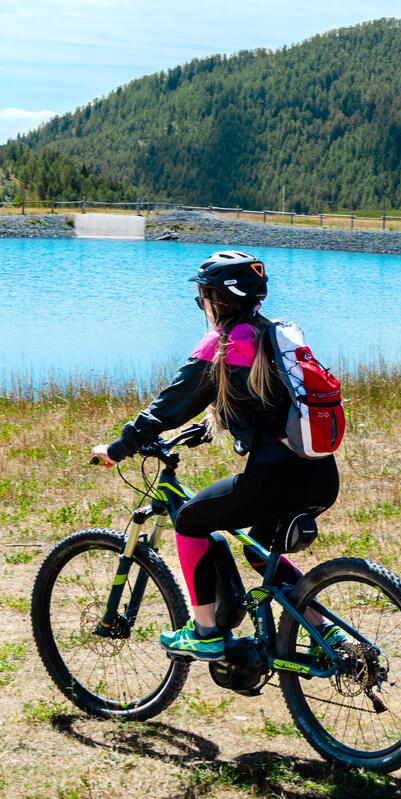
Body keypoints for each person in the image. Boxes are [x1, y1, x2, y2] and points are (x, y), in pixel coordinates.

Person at [91, 250, 340, 662]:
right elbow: (266, 404)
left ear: (214, 299)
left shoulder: (224, 343)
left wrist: (118, 449)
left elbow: (171, 404)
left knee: (190, 520)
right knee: (260, 551)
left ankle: (205, 632)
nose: (200, 305)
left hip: (274, 478)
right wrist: (207, 429)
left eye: (201, 296)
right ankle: (324, 630)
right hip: (321, 475)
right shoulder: (276, 336)